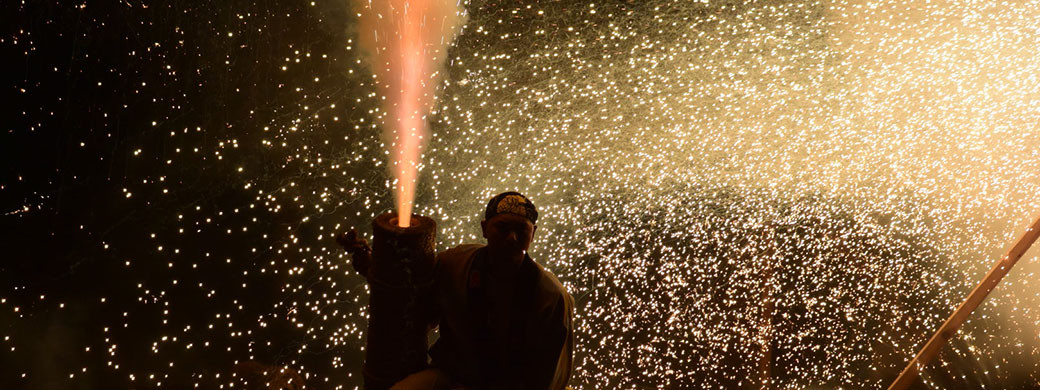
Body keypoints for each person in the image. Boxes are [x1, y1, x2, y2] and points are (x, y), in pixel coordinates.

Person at [338, 192, 574, 390]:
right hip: (452, 376)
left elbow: (548, 376)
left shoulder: (551, 297)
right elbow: (415, 308)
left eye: (521, 230)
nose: (512, 238)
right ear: (484, 228)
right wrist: (375, 270)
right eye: (502, 228)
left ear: (534, 233)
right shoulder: (455, 264)